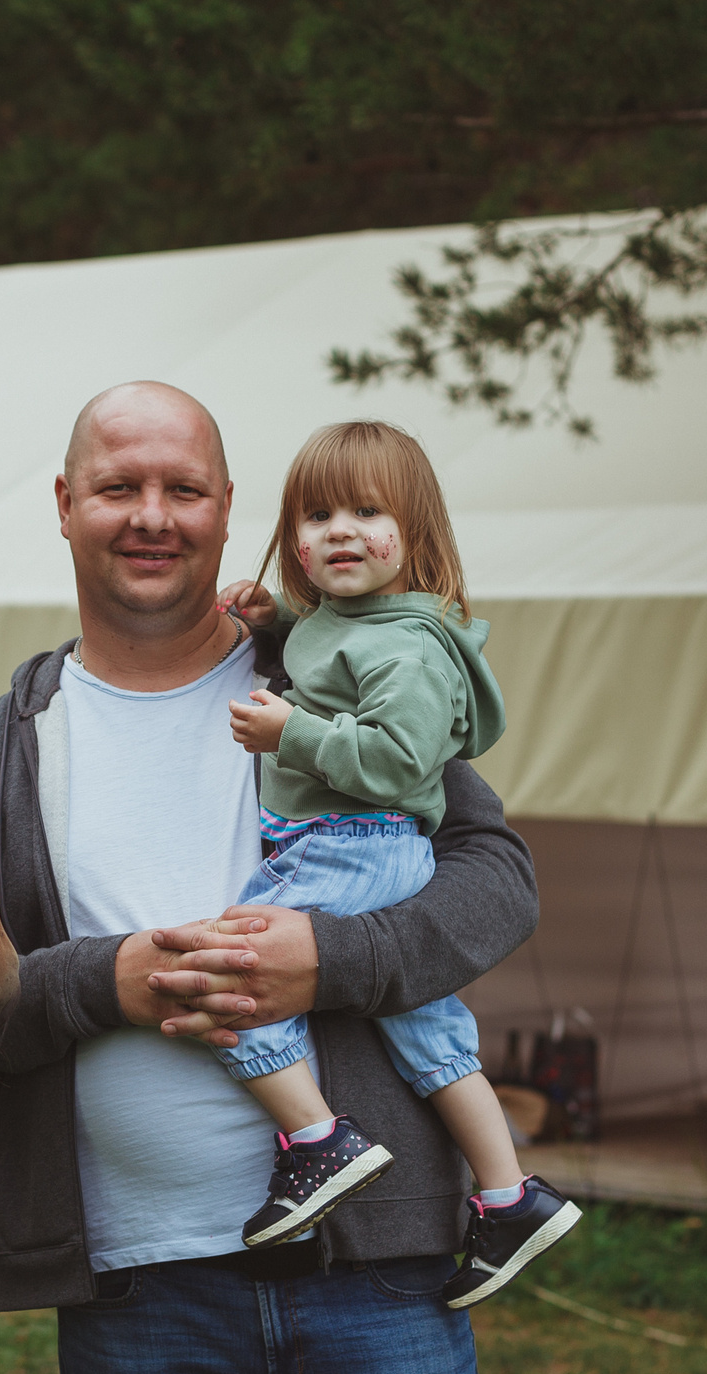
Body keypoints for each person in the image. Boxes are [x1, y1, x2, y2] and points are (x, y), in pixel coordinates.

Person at [0, 381, 537, 1374]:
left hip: (377, 1272)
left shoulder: (339, 673)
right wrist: (103, 980)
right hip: (140, 1288)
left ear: (232, 514)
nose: (151, 517)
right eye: (119, 487)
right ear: (65, 506)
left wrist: (327, 959)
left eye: (184, 489)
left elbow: (498, 880)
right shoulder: (0, 748)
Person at [210, 421, 580, 1308]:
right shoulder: (361, 624)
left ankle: (316, 1142)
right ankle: (506, 1194)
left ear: (416, 532)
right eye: (317, 513)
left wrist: (288, 729)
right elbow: (341, 650)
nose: (338, 530)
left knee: (235, 980)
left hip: (349, 842)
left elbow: (401, 762)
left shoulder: (409, 649)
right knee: (434, 1043)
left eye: (366, 511)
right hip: (378, 850)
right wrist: (276, 618)